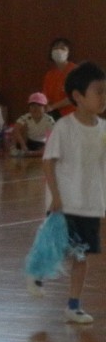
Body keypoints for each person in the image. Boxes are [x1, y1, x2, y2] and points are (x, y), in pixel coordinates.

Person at [35, 61, 106, 325]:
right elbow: (48, 162)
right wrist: (55, 196)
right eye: (98, 92)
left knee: (81, 255)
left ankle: (73, 305)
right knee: (63, 250)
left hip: (90, 204)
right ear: (78, 96)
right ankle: (37, 271)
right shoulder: (64, 127)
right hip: (65, 204)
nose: (104, 97)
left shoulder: (103, 129)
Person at [11, 92, 55, 156]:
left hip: (40, 143)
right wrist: (22, 144)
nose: (35, 108)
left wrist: (46, 147)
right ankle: (15, 149)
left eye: (39, 105)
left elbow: (51, 137)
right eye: (32, 106)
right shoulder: (26, 117)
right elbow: (16, 129)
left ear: (45, 108)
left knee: (49, 148)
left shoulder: (49, 120)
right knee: (20, 127)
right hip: (27, 141)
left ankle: (31, 153)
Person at [42, 37, 74, 118]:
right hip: (53, 115)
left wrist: (53, 107)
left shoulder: (75, 71)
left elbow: (74, 97)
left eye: (62, 48)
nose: (58, 50)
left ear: (68, 52)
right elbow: (45, 96)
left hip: (73, 115)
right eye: (55, 48)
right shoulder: (50, 74)